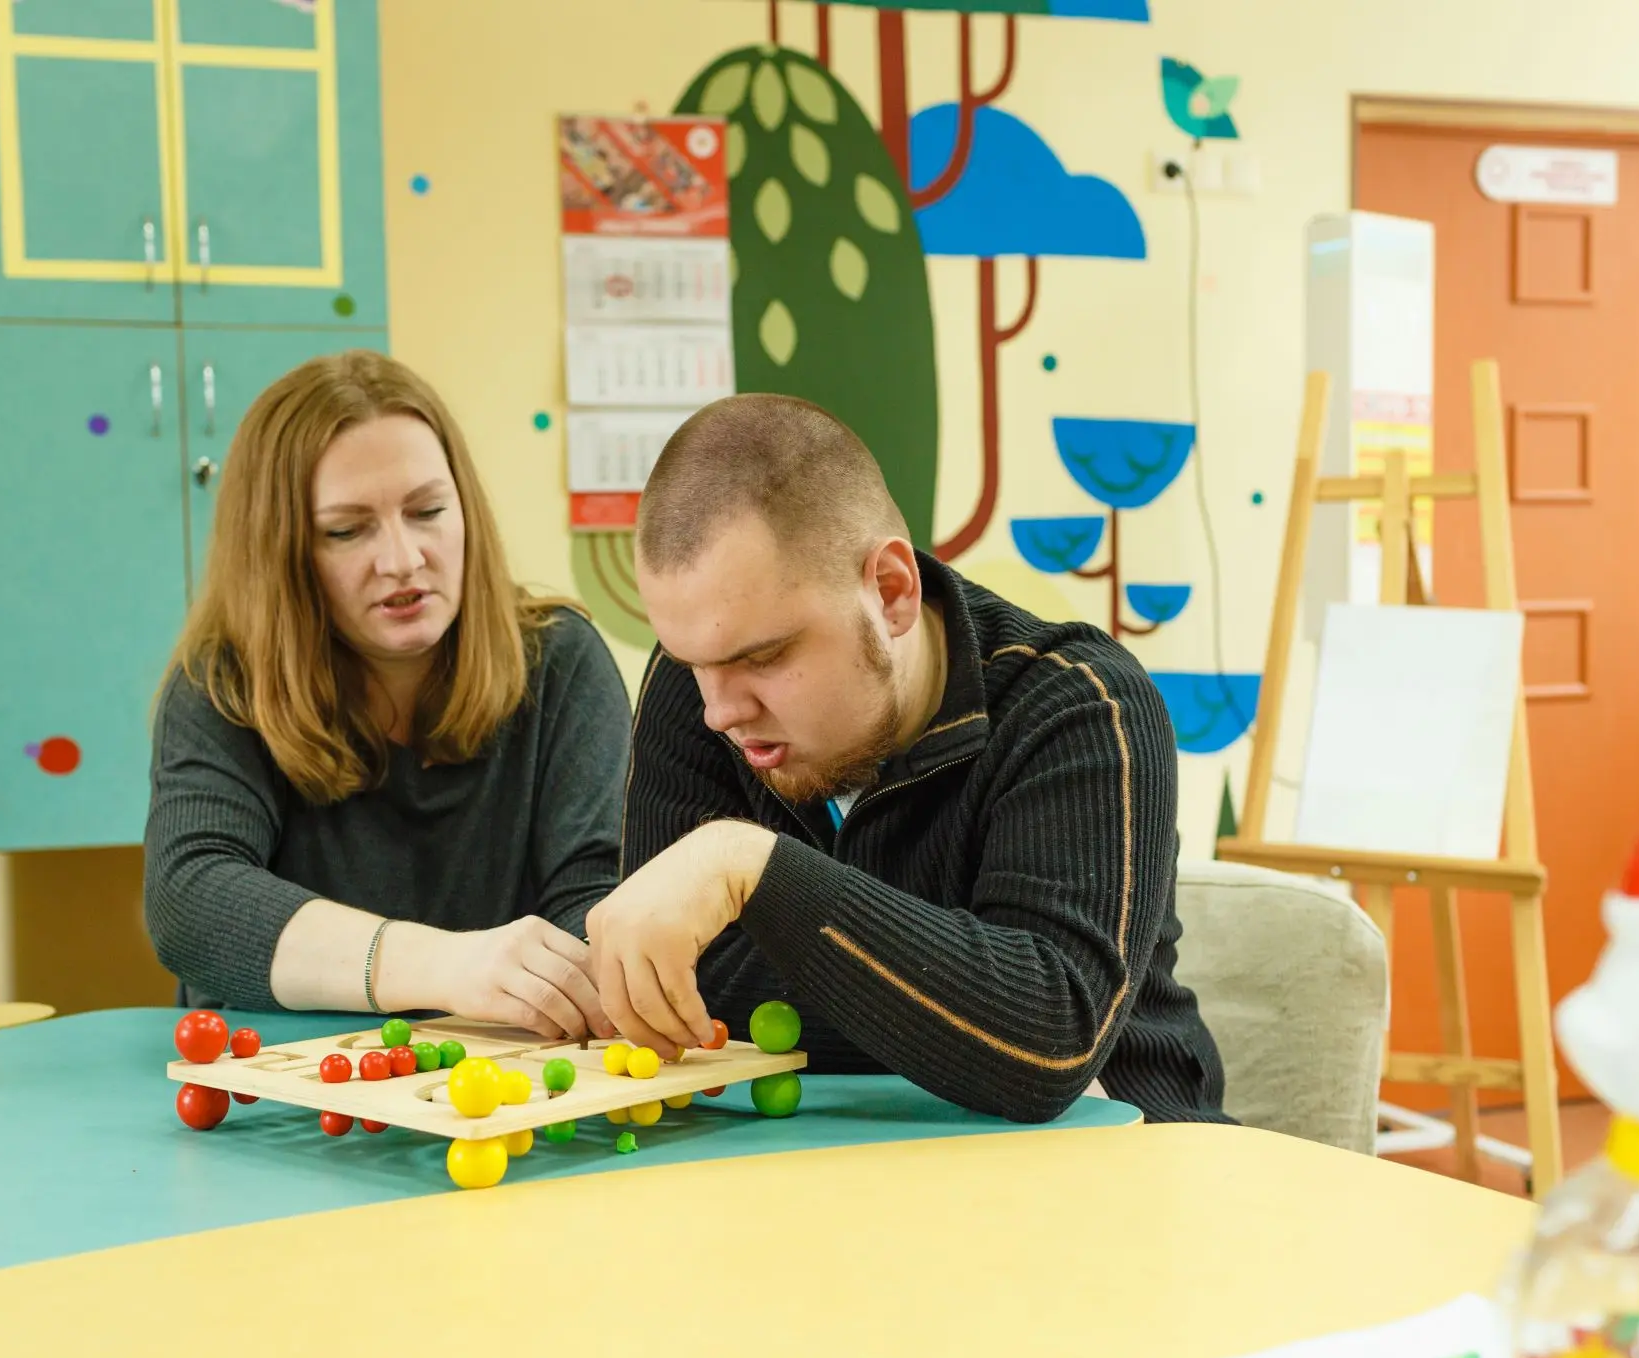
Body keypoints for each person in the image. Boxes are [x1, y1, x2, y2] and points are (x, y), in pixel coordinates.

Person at [586, 393, 1230, 1123]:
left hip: (1126, 1173)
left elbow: (1045, 1045)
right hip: (832, 1173)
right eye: (689, 661)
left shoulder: (1082, 705)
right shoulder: (702, 687)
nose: (718, 711)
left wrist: (749, 870)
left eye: (762, 656)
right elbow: (664, 984)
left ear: (889, 594)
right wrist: (957, 1008)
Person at [145, 350, 626, 1040]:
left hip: (500, 1084)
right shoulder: (222, 683)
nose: (402, 559)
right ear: (282, 553)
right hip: (284, 1091)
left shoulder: (561, 661)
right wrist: (440, 964)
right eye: (347, 530)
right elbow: (189, 899)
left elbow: (597, 902)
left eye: (427, 510)